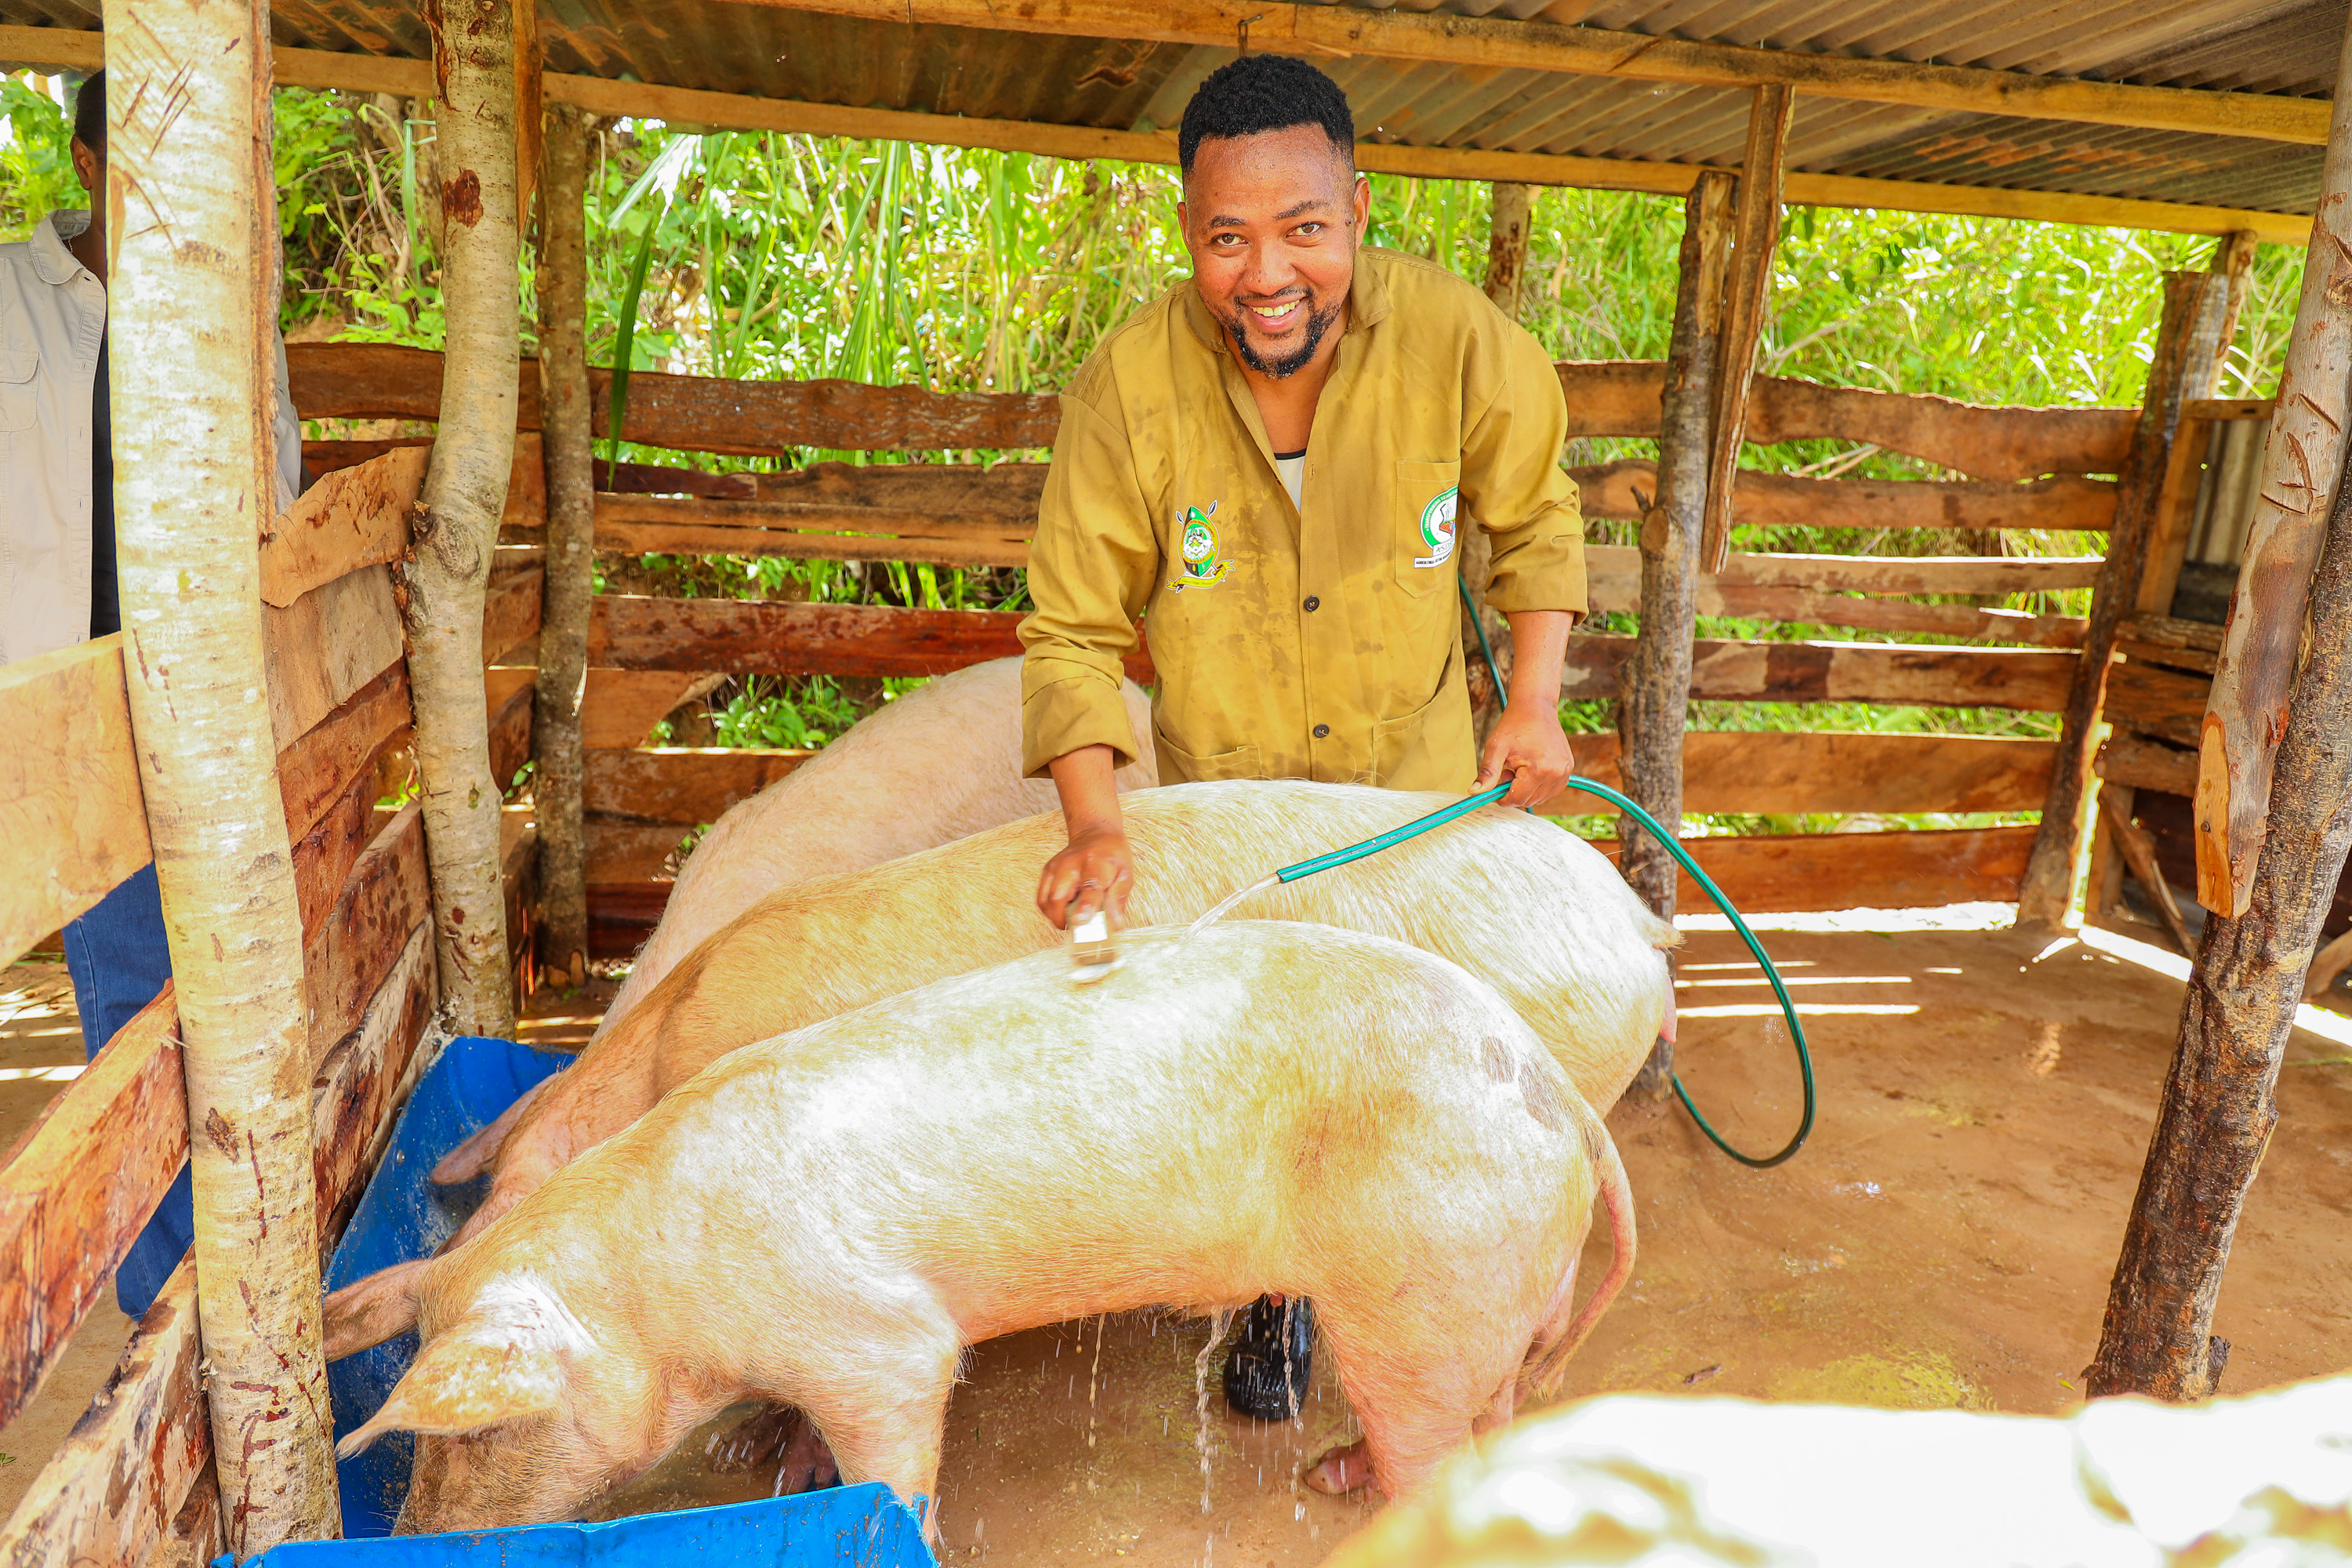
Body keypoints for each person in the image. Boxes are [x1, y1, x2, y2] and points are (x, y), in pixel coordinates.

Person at [1016, 55, 1589, 1420]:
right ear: (1188, 238)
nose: (1268, 274)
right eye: (1229, 238)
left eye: (1304, 230)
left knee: (1429, 1061)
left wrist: (1533, 702)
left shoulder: (1459, 341)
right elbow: (1073, 624)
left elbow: (1540, 522)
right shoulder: (1128, 387)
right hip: (1234, 821)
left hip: (1417, 814)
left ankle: (1443, 1331)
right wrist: (1097, 824)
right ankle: (1276, 1309)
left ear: (1357, 210)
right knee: (1270, 1073)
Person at [0, 71, 304, 1315]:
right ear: (83, 165)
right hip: (73, 721)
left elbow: (277, 484)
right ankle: (167, 1318)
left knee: (234, 1004)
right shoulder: (13, 299)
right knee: (131, 1015)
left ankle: (236, 1300)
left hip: (206, 711)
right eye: (137, 159)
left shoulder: (227, 310)